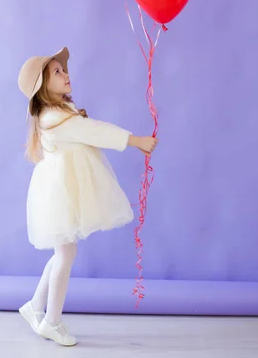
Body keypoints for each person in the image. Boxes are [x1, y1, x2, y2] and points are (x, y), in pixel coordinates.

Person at [17, 47, 157, 346]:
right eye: (57, 72)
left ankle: (35, 306)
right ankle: (52, 322)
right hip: (60, 193)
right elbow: (94, 131)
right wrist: (136, 141)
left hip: (61, 189)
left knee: (62, 253)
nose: (66, 73)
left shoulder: (56, 113)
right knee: (65, 254)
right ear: (43, 86)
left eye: (63, 69)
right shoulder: (55, 117)